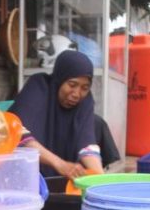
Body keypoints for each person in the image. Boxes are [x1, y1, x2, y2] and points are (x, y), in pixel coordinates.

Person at [8, 50, 119, 179]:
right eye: (72, 85)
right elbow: (17, 133)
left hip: (64, 169)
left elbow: (86, 142)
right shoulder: (39, 87)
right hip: (27, 173)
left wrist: (100, 179)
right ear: (60, 79)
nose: (77, 94)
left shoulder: (86, 100)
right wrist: (60, 165)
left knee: (97, 123)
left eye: (84, 88)